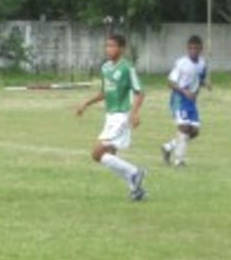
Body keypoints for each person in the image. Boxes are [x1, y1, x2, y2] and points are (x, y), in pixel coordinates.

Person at [76, 33, 147, 200]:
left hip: (121, 116)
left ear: (122, 49)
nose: (109, 49)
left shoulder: (127, 68)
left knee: (97, 153)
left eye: (113, 46)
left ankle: (135, 172)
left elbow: (140, 92)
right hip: (110, 116)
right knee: (110, 156)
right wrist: (86, 103)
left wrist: (135, 113)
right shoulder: (105, 67)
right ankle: (135, 189)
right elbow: (104, 93)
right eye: (107, 46)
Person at [161, 35, 210, 167]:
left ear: (201, 49)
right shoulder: (181, 63)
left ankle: (168, 147)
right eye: (190, 48)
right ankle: (179, 161)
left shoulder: (202, 63)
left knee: (194, 132)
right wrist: (184, 91)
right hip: (179, 99)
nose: (193, 51)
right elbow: (170, 82)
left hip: (191, 101)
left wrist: (206, 83)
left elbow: (201, 78)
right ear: (187, 49)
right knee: (184, 129)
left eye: (196, 48)